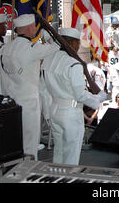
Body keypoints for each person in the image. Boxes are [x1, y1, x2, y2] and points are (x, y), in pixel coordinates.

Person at [41, 27, 107, 165]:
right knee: (71, 153)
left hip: (54, 109)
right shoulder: (73, 64)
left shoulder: (48, 61)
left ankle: (57, 178)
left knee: (59, 151)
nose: (78, 46)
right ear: (71, 43)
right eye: (77, 43)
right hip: (70, 113)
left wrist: (47, 112)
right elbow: (80, 95)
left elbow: (43, 89)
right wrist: (99, 98)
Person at [0, 14, 59, 160]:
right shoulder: (32, 48)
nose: (35, 29)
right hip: (29, 100)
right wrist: (47, 33)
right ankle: (28, 171)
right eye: (34, 26)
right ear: (27, 28)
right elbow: (57, 46)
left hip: (11, 99)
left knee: (16, 138)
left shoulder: (7, 48)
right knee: (30, 140)